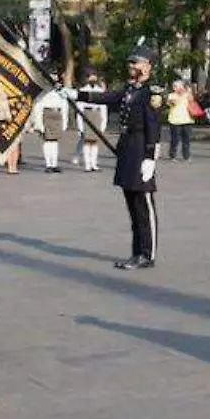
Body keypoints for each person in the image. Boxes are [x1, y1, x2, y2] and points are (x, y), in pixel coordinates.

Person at [73, 45, 164, 268]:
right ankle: (137, 252)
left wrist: (150, 157)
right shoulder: (130, 89)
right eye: (130, 62)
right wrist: (77, 94)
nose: (131, 66)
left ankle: (147, 254)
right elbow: (107, 97)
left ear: (147, 66)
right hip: (127, 147)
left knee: (143, 204)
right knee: (132, 204)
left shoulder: (152, 93)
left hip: (142, 147)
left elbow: (153, 125)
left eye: (136, 62)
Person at [36, 84, 72, 172]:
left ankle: (54, 164)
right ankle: (48, 164)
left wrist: (65, 122)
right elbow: (39, 106)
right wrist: (39, 124)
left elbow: (65, 105)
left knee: (55, 141)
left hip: (58, 114)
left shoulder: (61, 91)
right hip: (47, 113)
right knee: (48, 140)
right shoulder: (44, 91)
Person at [77, 74, 108, 172]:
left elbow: (104, 107)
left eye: (94, 77)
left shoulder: (100, 91)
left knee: (95, 142)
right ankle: (87, 164)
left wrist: (103, 123)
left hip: (97, 114)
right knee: (87, 142)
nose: (93, 79)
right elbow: (79, 108)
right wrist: (80, 125)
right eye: (90, 77)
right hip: (87, 114)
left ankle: (94, 164)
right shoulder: (83, 90)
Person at [165, 79, 196, 161]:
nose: (175, 88)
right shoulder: (171, 95)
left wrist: (188, 92)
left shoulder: (187, 95)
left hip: (187, 120)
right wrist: (179, 95)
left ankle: (186, 156)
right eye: (174, 86)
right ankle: (173, 155)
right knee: (175, 140)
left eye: (177, 86)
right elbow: (172, 103)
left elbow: (192, 101)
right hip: (175, 120)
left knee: (186, 140)